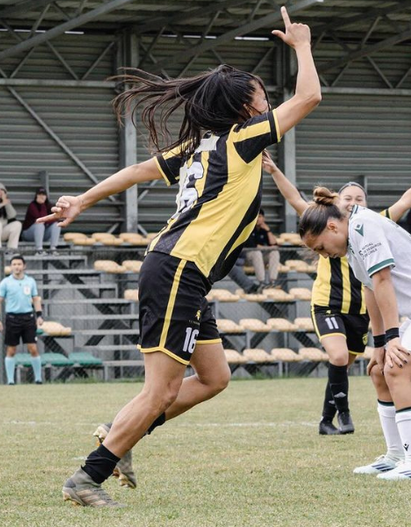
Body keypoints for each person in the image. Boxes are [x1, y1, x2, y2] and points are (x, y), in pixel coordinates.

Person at [39, 6, 321, 508]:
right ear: (244, 111)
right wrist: (301, 45)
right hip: (178, 270)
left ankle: (119, 435)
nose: (270, 105)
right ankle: (87, 477)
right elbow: (310, 97)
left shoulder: (200, 148)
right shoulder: (240, 140)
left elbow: (134, 171)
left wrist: (82, 199)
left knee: (214, 379)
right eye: (263, 99)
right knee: (161, 391)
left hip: (183, 272)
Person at [297, 181, 411, 482]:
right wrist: (380, 344)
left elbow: (383, 281)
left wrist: (393, 338)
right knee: (380, 370)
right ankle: (396, 456)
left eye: (320, 248)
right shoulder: (351, 243)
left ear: (331, 227)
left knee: (396, 369)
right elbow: (370, 290)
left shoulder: (363, 227)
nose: (323, 255)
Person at [264, 152, 411, 436]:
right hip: (328, 305)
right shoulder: (322, 225)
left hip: (360, 311)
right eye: (347, 198)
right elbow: (294, 199)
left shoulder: (375, 225)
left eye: (359, 199)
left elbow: (406, 200)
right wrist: (275, 170)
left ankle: (326, 420)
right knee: (339, 357)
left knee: (343, 363)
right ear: (336, 207)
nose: (353, 202)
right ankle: (345, 415)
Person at [0, 255, 44, 385]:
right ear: (11, 267)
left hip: (28, 318)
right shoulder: (5, 282)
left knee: (33, 348)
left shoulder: (30, 281)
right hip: (12, 318)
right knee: (11, 350)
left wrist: (39, 315)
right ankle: (10, 381)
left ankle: (38, 379)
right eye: (14, 264)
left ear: (24, 266)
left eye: (19, 264)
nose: (17, 267)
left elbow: (36, 299)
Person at [242, 209, 280, 288]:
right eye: (256, 217)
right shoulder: (248, 228)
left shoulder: (264, 229)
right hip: (248, 258)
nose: (258, 219)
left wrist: (268, 230)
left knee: (274, 253)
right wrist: (269, 248)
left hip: (261, 257)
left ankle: (272, 281)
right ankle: (262, 282)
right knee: (257, 252)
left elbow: (274, 244)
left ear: (263, 218)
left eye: (259, 217)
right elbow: (255, 246)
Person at [22, 187, 61, 254]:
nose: (41, 196)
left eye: (43, 195)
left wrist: (49, 220)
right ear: (36, 196)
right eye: (39, 194)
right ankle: (39, 250)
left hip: (43, 234)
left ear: (46, 196)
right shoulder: (32, 205)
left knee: (57, 225)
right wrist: (42, 205)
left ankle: (53, 249)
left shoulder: (49, 205)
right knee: (39, 224)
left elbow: (55, 218)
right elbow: (40, 218)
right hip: (28, 234)